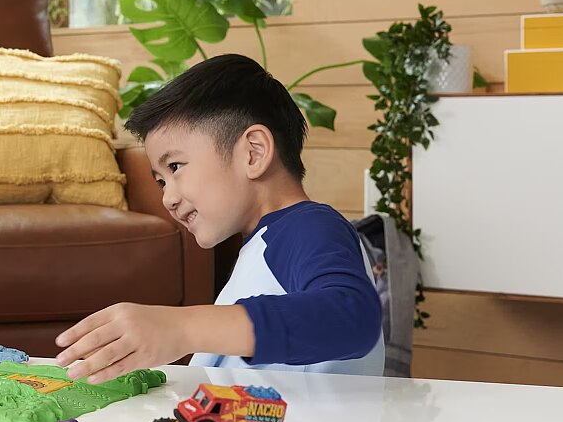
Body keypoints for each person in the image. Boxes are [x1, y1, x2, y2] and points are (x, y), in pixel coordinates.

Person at [54, 53, 383, 384]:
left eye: (175, 167)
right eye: (161, 182)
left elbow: (353, 318)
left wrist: (182, 328)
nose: (168, 198)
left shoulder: (307, 227)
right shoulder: (264, 245)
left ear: (253, 153)